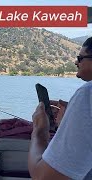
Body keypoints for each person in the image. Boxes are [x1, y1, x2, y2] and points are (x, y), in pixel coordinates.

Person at [29, 37, 92, 179]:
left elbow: (43, 177)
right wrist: (72, 116)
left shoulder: (88, 93)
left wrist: (39, 131)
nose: (76, 62)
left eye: (80, 58)